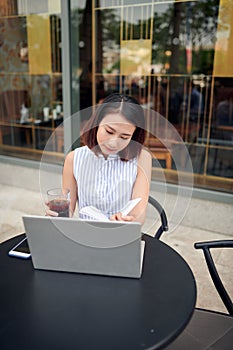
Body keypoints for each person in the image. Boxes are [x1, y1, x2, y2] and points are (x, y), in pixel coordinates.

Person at [51, 93, 152, 224]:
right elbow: (67, 211)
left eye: (124, 137)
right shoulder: (74, 159)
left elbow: (139, 215)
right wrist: (57, 214)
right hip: (87, 234)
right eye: (109, 132)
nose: (113, 143)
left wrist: (127, 220)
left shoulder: (142, 158)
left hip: (123, 234)